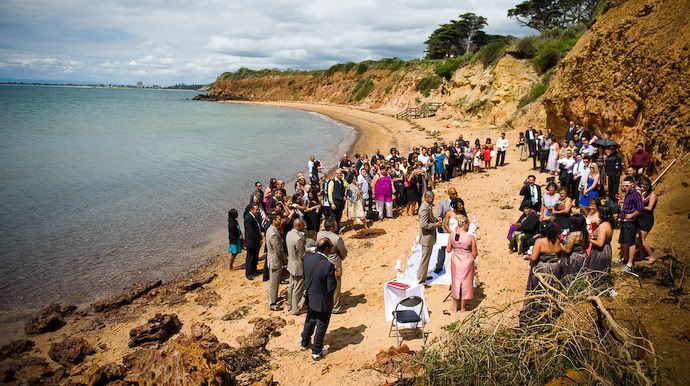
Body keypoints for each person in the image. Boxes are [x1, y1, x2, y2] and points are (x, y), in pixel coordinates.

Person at [300, 237, 338, 360]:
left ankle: (304, 343)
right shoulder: (328, 265)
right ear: (327, 248)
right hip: (323, 300)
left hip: (311, 296)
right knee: (321, 324)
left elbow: (305, 275)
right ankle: (316, 350)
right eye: (331, 245)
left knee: (310, 320)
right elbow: (331, 287)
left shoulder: (307, 258)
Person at [446, 215, 477, 312]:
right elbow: (475, 253)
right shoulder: (470, 237)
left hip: (456, 261)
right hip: (467, 261)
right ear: (465, 224)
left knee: (455, 282)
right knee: (467, 283)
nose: (469, 226)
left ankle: (455, 306)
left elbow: (448, 249)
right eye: (468, 224)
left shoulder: (452, 235)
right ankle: (463, 307)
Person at [317, 218, 348, 314]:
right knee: (335, 285)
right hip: (334, 262)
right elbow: (343, 252)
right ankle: (335, 307)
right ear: (332, 228)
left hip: (321, 261)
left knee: (323, 283)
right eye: (335, 225)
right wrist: (341, 258)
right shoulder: (336, 238)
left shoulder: (319, 234)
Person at [524, 221, 562, 294]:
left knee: (540, 288)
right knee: (553, 288)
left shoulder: (539, 241)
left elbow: (534, 258)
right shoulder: (556, 240)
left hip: (542, 268)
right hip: (555, 267)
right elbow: (559, 253)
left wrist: (527, 257)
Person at [418, 191, 443, 284]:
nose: (433, 199)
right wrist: (436, 224)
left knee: (426, 259)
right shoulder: (424, 208)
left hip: (428, 237)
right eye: (432, 197)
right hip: (426, 238)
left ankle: (422, 275)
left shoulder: (427, 206)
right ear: (427, 197)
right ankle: (421, 280)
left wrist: (435, 219)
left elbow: (429, 219)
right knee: (425, 259)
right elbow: (424, 225)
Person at [620, 176, 644, 272]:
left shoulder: (635, 194)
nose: (624, 187)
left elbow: (640, 208)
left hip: (631, 222)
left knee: (631, 243)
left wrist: (631, 215)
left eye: (626, 185)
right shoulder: (628, 193)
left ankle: (630, 263)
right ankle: (625, 258)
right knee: (626, 241)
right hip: (625, 221)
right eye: (623, 185)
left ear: (632, 185)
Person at [266, 213, 287, 310]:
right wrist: (284, 259)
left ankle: (274, 298)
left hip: (273, 259)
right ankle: (272, 303)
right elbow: (278, 250)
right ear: (274, 221)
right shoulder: (273, 233)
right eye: (279, 219)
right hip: (275, 260)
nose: (281, 220)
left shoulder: (271, 229)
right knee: (274, 282)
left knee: (275, 281)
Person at [286, 219, 307, 315]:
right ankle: (296, 309)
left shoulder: (289, 234)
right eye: (303, 225)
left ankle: (290, 304)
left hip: (291, 263)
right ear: (299, 226)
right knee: (298, 288)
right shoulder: (299, 238)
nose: (305, 226)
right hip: (298, 265)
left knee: (291, 285)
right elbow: (302, 255)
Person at [588, 206, 613, 273]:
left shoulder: (603, 226)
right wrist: (594, 237)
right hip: (605, 250)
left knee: (598, 273)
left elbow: (600, 244)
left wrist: (588, 239)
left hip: (601, 252)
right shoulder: (608, 223)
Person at [638, 179, 657, 263]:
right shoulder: (643, 193)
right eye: (641, 185)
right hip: (640, 217)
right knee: (639, 239)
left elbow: (649, 208)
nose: (642, 187)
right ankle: (642, 255)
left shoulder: (653, 195)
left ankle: (651, 256)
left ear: (648, 185)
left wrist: (638, 206)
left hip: (647, 218)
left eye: (644, 185)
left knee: (642, 239)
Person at [243, 204, 263, 280]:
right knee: (250, 258)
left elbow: (257, 227)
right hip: (251, 241)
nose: (258, 211)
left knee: (255, 257)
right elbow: (250, 232)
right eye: (256, 210)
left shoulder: (254, 216)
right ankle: (249, 273)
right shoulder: (248, 218)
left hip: (255, 240)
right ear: (251, 210)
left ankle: (254, 270)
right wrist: (258, 240)